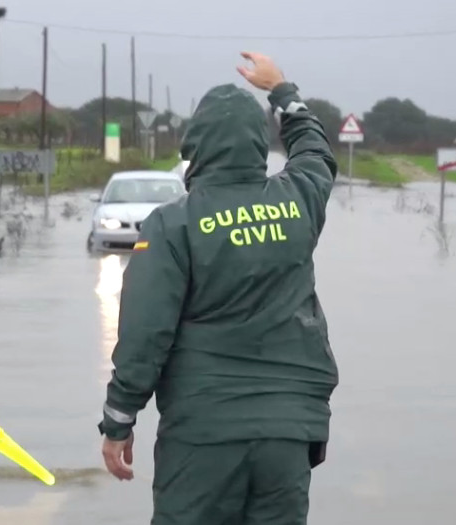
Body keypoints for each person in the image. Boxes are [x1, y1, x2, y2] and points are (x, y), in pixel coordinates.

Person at [97, 52, 340, 524]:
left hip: (203, 434)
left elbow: (145, 336)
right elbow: (316, 151)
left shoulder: (173, 224)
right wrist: (282, 90)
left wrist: (119, 420)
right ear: (258, 144)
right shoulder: (299, 199)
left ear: (196, 148)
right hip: (290, 434)